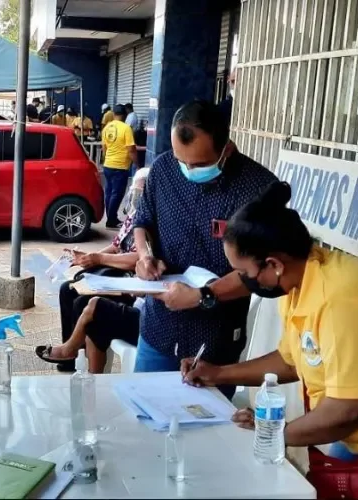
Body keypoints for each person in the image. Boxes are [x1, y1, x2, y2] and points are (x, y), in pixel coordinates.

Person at [182, 181, 358, 500]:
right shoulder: (299, 283)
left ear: (275, 264)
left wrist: (275, 434)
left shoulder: (341, 300)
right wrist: (219, 373)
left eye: (245, 273)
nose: (243, 281)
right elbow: (294, 359)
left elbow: (352, 406)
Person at [132, 100, 277, 401]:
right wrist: (145, 255)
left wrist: (202, 296)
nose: (187, 169)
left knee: (204, 435)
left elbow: (262, 272)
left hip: (215, 343)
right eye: (180, 160)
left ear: (226, 149)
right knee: (144, 418)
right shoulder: (163, 169)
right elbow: (143, 221)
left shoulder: (259, 190)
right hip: (158, 330)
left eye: (198, 164)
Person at [36, 167, 149, 372]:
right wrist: (87, 258)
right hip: (117, 274)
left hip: (129, 282)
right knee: (67, 289)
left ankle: (79, 356)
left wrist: (98, 259)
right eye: (135, 191)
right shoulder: (133, 216)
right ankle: (70, 356)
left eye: (142, 192)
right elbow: (115, 246)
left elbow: (138, 260)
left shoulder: (153, 222)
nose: (137, 197)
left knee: (86, 304)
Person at [101, 104, 137, 229]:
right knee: (117, 193)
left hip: (108, 165)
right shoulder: (126, 128)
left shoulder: (106, 128)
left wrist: (108, 159)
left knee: (109, 193)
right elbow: (131, 149)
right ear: (125, 115)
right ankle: (111, 220)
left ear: (114, 114)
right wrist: (138, 164)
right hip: (120, 166)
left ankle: (111, 218)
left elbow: (104, 148)